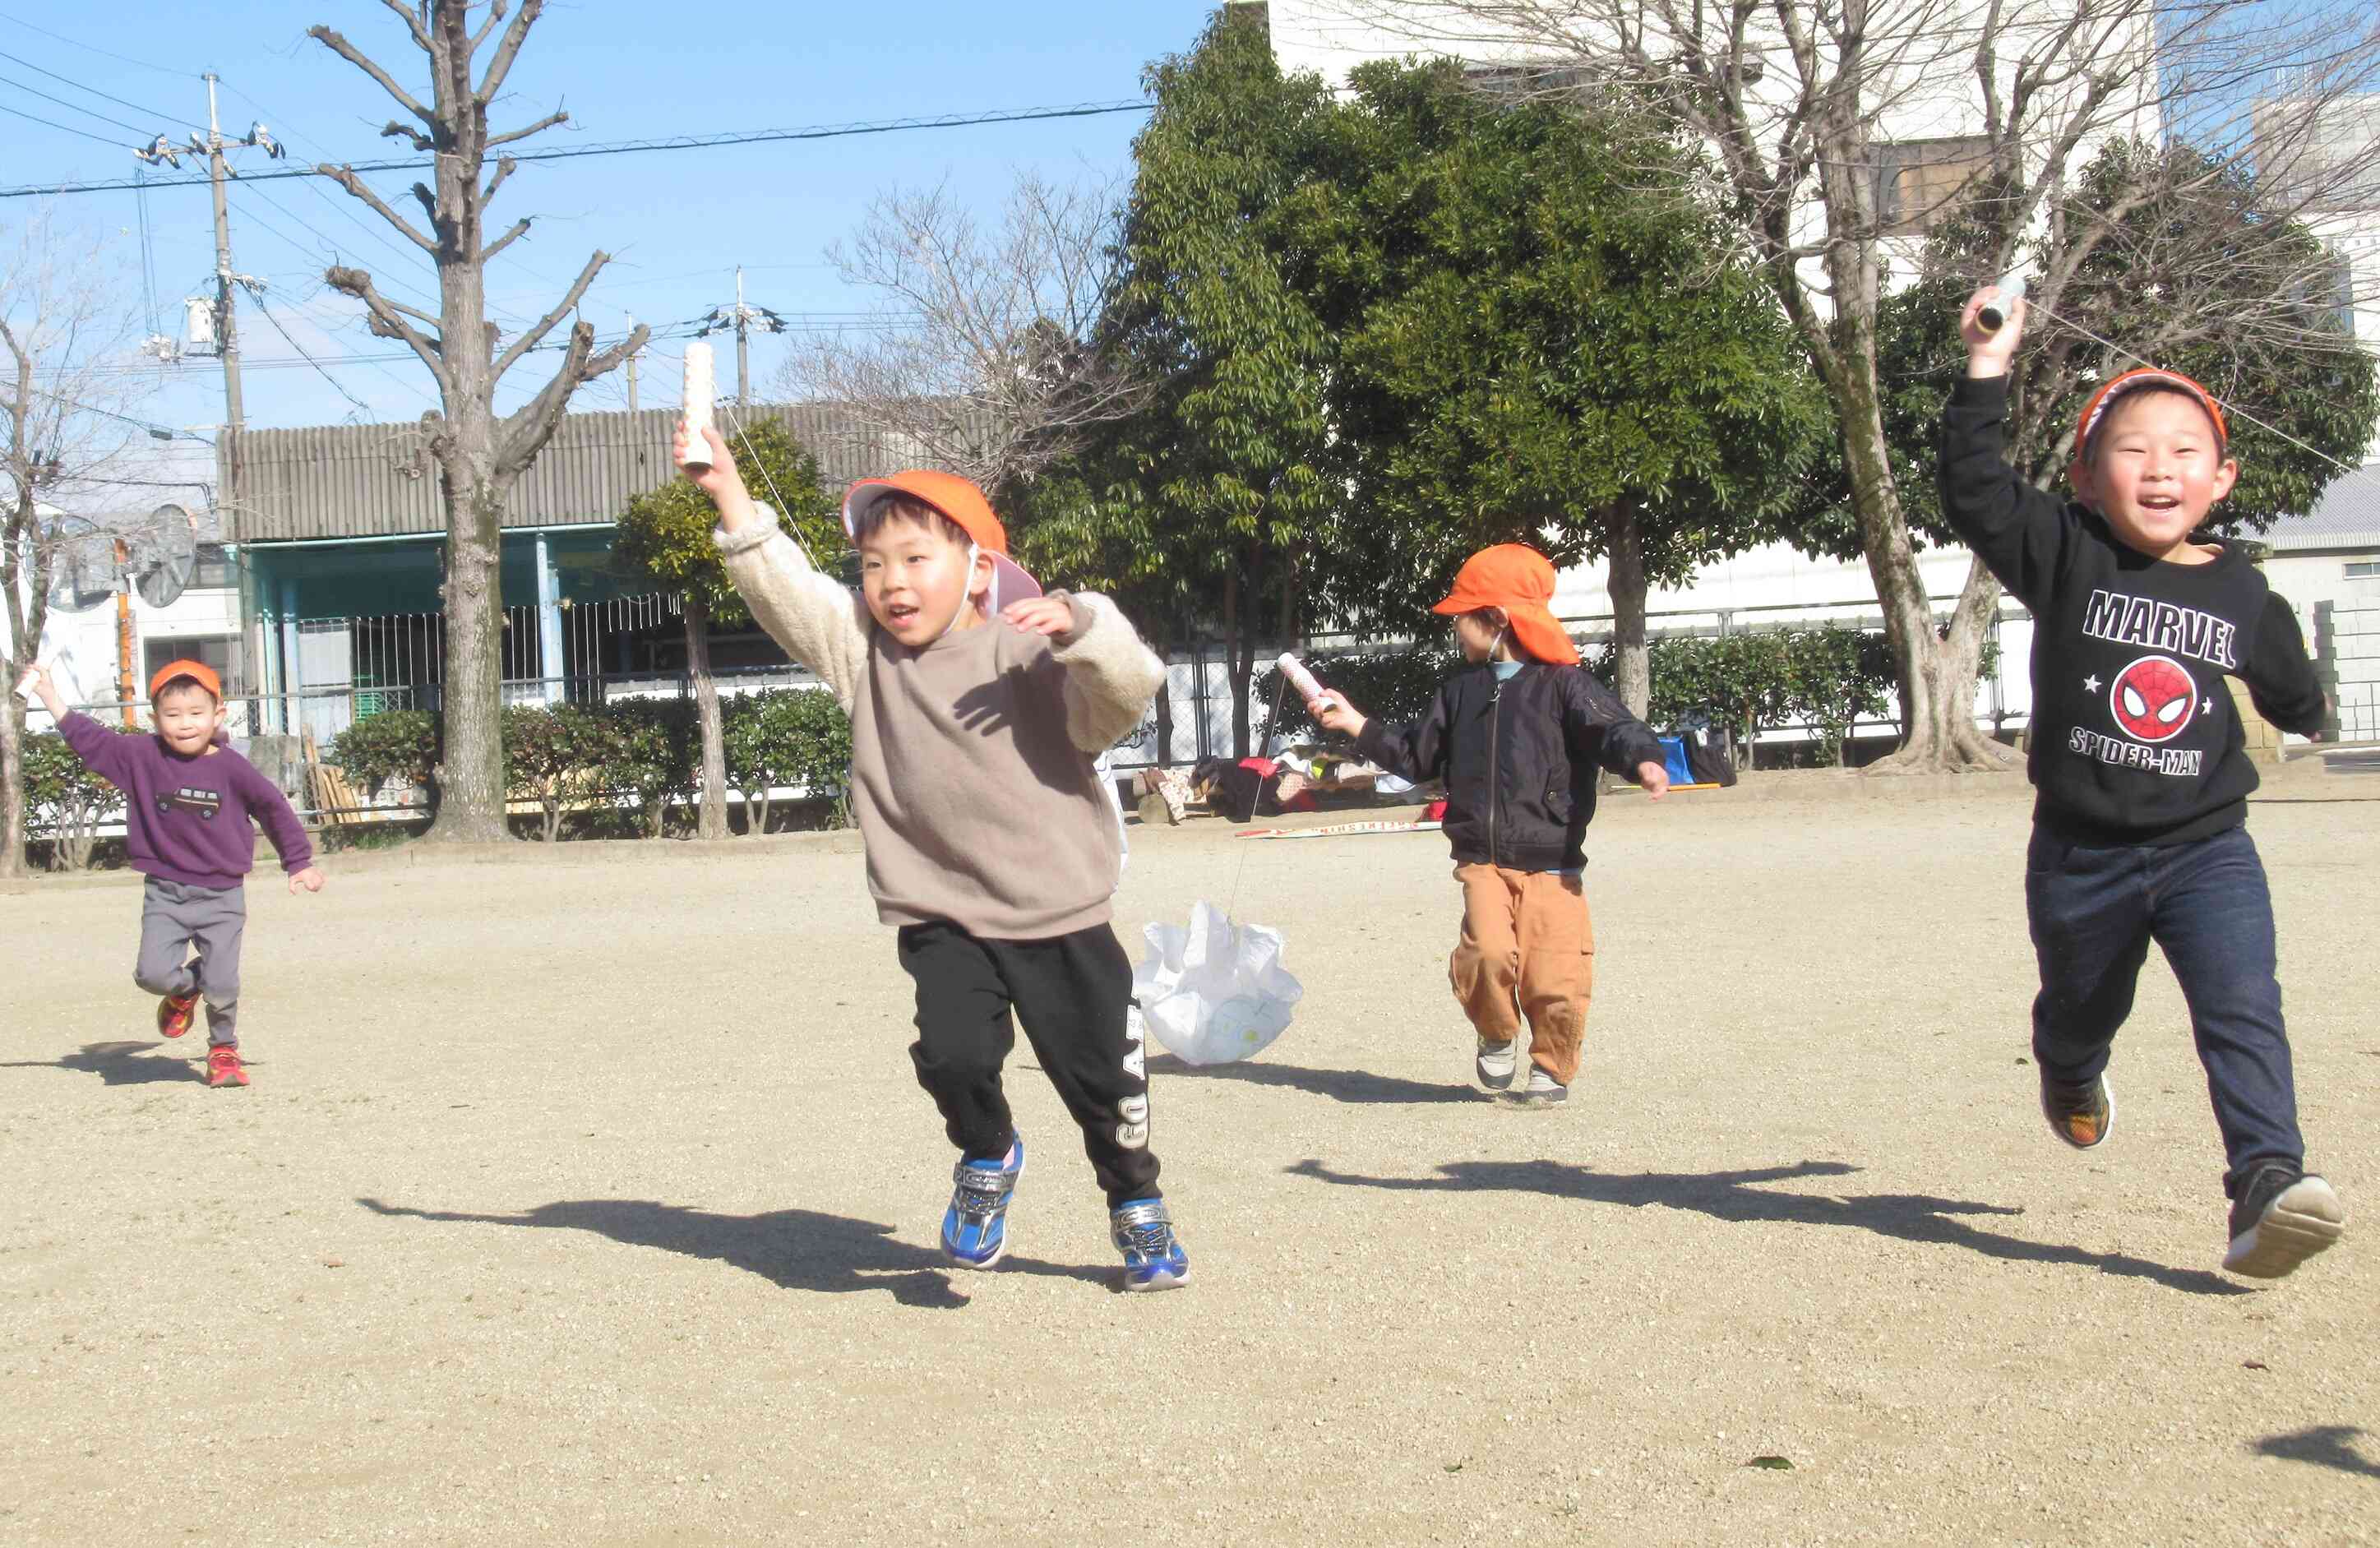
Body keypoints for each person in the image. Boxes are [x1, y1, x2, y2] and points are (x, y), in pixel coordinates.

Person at [673, 423, 1188, 1291]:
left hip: (1058, 909)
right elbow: (788, 592)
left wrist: (1083, 623)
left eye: (916, 558)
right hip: (940, 909)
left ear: (980, 569)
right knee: (952, 1055)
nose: (892, 582)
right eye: (874, 564)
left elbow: (1130, 688)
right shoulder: (864, 658)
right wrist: (729, 494)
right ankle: (987, 1154)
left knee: (1107, 1083)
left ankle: (1135, 1200)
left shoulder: (1033, 657)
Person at [1940, 284, 2342, 1278]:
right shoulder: (2067, 552)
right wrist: (1989, 366)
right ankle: (2068, 1066)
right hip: (2082, 856)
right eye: (2133, 448)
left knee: (2243, 1004)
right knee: (2082, 1004)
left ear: (2223, 476)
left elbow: (2295, 693)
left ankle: (2266, 1180)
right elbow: (1975, 489)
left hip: (2209, 846)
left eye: (2185, 450)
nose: (2160, 465)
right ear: (2086, 476)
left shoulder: (2245, 593)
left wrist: (2310, 711)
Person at [1309, 543, 1670, 1106]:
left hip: (1552, 856)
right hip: (1481, 857)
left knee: (1555, 975)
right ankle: (1496, 1029)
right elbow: (1414, 756)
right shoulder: (1458, 693)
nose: (1455, 627)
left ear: (1497, 619)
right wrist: (1354, 722)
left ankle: (1551, 1066)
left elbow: (1613, 728)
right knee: (1486, 955)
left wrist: (1644, 759)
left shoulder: (1565, 685)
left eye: (1462, 616)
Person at [21, 659, 323, 1088]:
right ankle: (185, 988)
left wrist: (299, 862)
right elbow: (91, 741)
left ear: (218, 715)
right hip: (165, 893)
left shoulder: (232, 768)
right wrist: (49, 694)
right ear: (154, 719)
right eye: (173, 714)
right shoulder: (140, 757)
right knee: (152, 976)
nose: (185, 724)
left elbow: (273, 809)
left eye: (197, 713)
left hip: (222, 895)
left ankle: (223, 1049)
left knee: (223, 983)